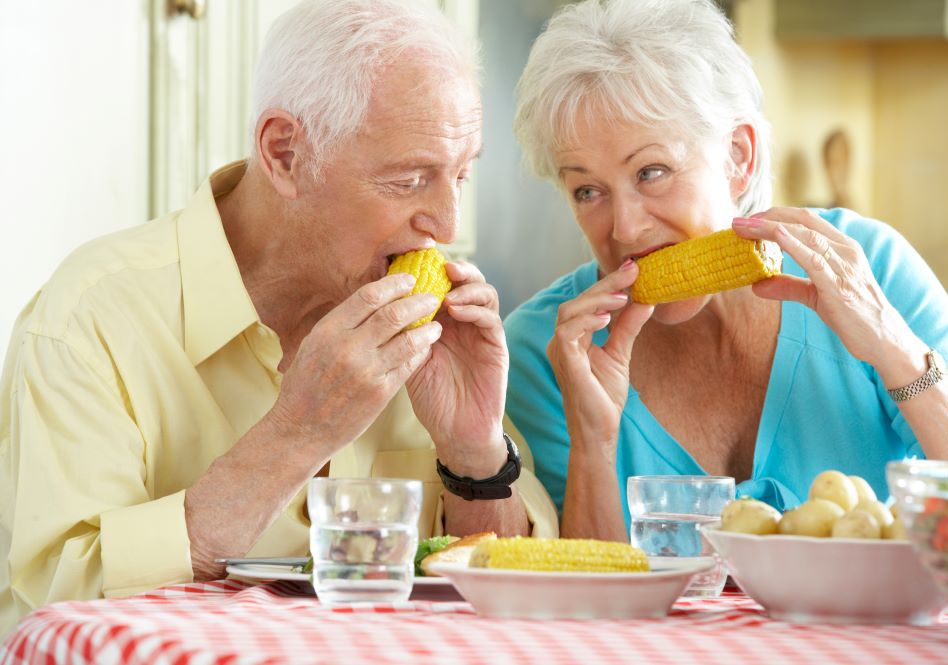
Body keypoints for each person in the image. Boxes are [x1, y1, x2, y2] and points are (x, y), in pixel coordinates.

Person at [0, 0, 557, 636]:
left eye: (461, 173)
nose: (449, 225)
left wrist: (473, 453)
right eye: (410, 179)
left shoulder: (434, 336)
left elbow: (518, 604)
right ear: (285, 153)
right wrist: (297, 433)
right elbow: (52, 617)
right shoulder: (88, 321)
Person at [505, 0, 948, 541]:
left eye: (651, 172)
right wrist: (594, 442)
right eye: (587, 190)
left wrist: (892, 348)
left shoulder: (869, 267)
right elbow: (581, 601)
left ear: (738, 157)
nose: (623, 228)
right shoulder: (543, 351)